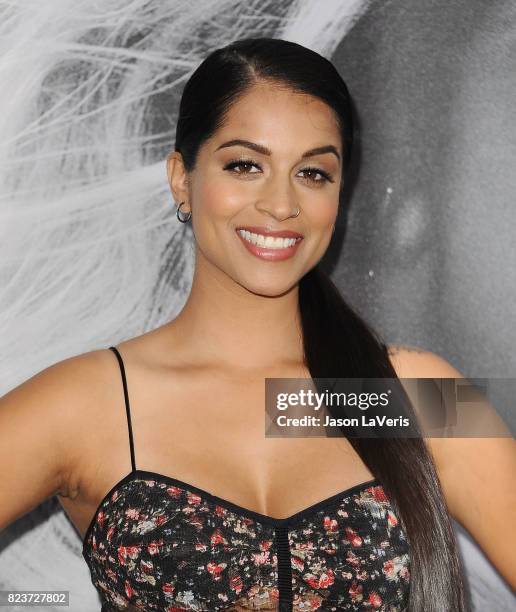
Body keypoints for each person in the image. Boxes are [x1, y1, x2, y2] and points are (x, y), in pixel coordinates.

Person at [0, 37, 514, 612]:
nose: (280, 203)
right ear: (181, 179)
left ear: (339, 195)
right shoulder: (87, 404)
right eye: (245, 165)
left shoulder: (415, 395)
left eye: (313, 173)